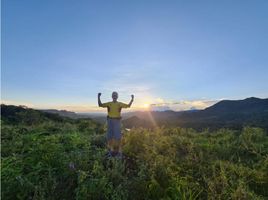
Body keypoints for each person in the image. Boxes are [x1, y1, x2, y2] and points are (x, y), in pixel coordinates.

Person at [98, 91, 134, 158]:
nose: (114, 96)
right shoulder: (109, 103)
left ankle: (120, 151)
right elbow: (100, 105)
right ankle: (111, 150)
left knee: (118, 137)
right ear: (112, 96)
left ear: (117, 96)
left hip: (117, 121)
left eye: (115, 95)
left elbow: (128, 106)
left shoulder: (119, 104)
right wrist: (98, 97)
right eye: (113, 95)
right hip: (110, 121)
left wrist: (132, 100)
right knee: (110, 137)